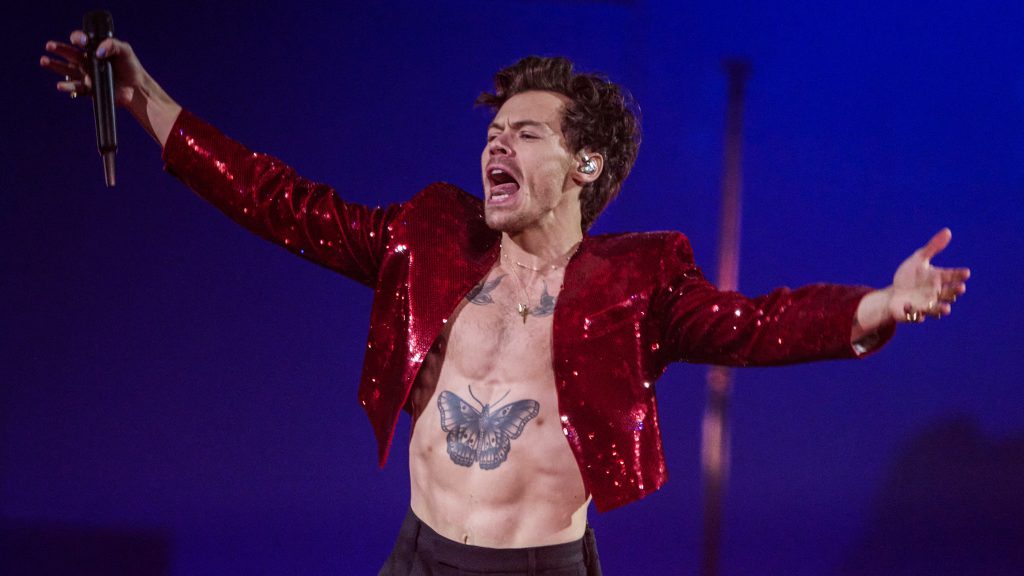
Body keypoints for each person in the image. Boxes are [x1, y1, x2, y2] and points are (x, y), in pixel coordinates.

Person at [41, 30, 970, 576]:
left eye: (525, 134)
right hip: (419, 554)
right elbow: (281, 202)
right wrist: (146, 97)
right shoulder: (429, 238)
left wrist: (879, 304)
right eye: (493, 132)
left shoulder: (637, 283)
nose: (496, 146)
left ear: (584, 165)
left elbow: (755, 326)